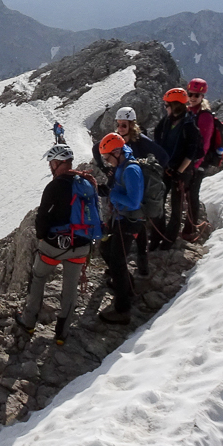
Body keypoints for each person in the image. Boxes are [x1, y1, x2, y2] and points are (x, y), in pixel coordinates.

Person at [21, 143, 96, 345]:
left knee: (39, 276)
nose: (50, 166)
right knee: (70, 287)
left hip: (55, 246)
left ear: (57, 163)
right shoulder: (86, 182)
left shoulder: (54, 186)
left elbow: (42, 218)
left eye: (51, 163)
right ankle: (61, 334)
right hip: (81, 244)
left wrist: (42, 237)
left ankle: (29, 323)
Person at [97, 106, 167, 275]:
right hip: (125, 192)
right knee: (132, 228)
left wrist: (150, 173)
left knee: (140, 229)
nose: (120, 129)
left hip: (137, 195)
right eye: (119, 125)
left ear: (132, 125)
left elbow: (163, 157)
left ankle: (139, 268)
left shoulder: (141, 141)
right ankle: (122, 269)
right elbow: (97, 148)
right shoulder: (117, 142)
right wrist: (105, 169)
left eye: (124, 125)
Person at [95, 133, 142, 325]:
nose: (106, 161)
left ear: (116, 152)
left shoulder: (131, 170)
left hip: (128, 221)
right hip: (120, 219)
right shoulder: (122, 165)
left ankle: (123, 310)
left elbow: (134, 201)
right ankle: (127, 285)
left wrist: (112, 194)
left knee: (117, 261)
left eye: (107, 157)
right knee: (107, 250)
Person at [151, 88, 203, 250]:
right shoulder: (166, 122)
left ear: (175, 105)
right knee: (158, 203)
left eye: (167, 105)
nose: (165, 107)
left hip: (181, 172)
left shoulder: (189, 125)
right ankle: (157, 236)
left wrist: (179, 172)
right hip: (167, 169)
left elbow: (191, 153)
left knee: (176, 207)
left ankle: (169, 239)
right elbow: (157, 142)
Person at [182, 79, 215, 241]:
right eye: (190, 94)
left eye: (196, 95)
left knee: (192, 194)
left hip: (198, 163)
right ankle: (190, 227)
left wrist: (194, 165)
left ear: (202, 96)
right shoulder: (189, 112)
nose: (193, 97)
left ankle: (191, 229)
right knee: (186, 193)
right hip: (189, 162)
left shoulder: (205, 116)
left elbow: (205, 144)